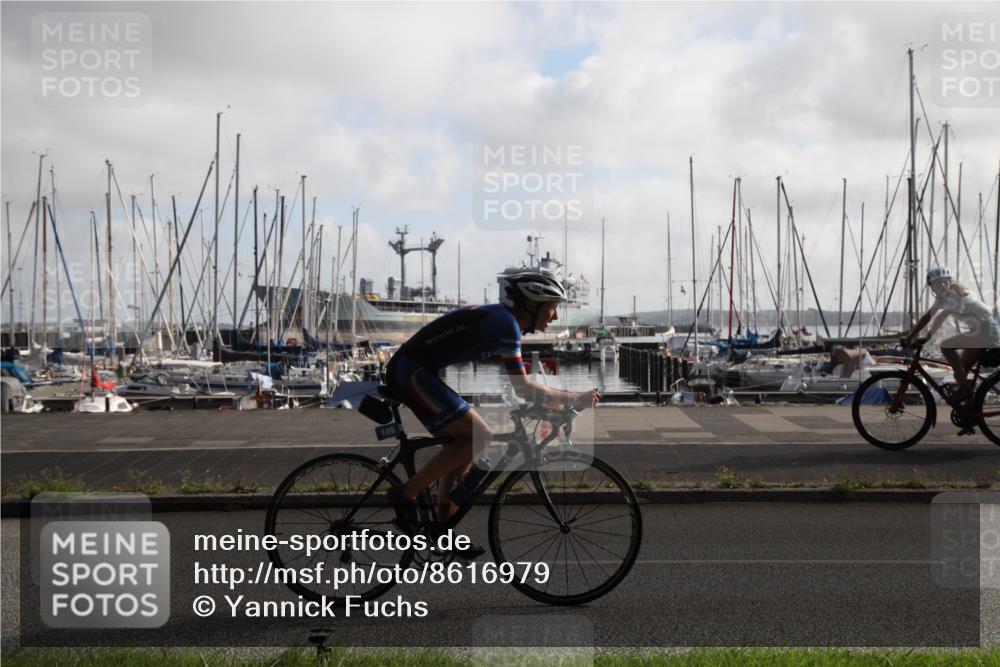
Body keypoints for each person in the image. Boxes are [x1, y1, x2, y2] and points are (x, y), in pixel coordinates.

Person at [384, 270, 600, 544]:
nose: (555, 316)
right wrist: (574, 398)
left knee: (464, 447)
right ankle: (405, 494)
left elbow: (523, 389)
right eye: (552, 307)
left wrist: (558, 404)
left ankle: (442, 533)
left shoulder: (504, 320)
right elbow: (523, 388)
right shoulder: (505, 324)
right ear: (531, 304)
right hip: (411, 373)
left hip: (416, 370)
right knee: (480, 435)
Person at [902, 266, 1000, 404]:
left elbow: (941, 317)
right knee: (960, 372)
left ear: (950, 281)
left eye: (944, 282)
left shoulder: (956, 294)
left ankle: (965, 390)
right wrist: (910, 336)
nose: (942, 285)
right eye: (937, 283)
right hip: (979, 331)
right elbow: (927, 317)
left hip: (986, 331)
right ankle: (970, 410)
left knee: (946, 346)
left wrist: (927, 337)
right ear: (932, 287)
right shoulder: (943, 298)